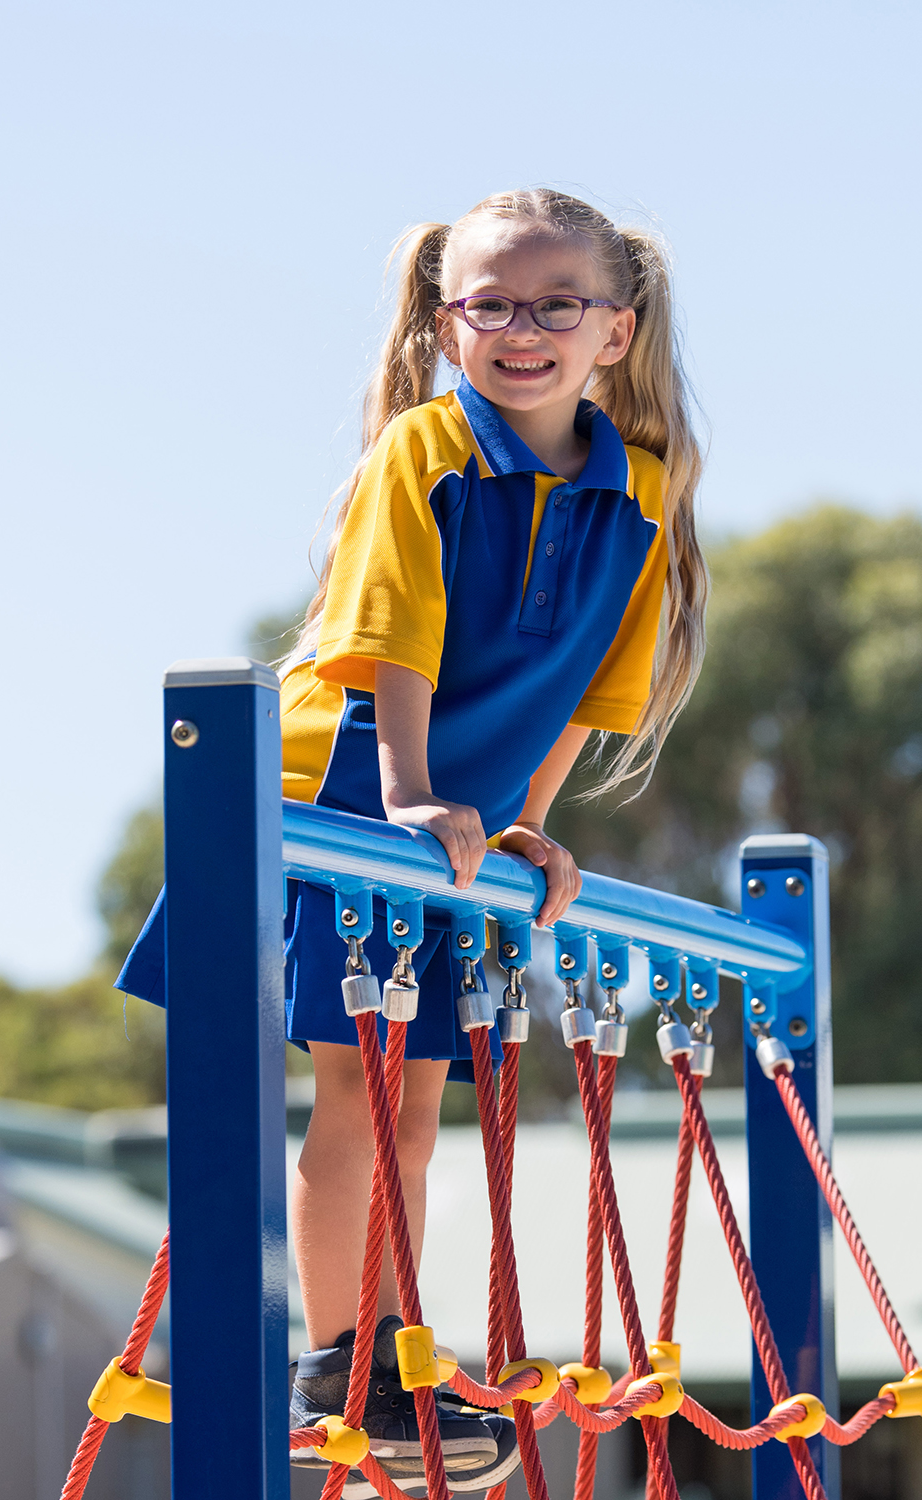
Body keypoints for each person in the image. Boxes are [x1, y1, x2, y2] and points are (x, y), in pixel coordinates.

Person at [118, 188, 707, 1493]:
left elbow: (592, 694)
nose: (522, 327)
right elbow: (389, 640)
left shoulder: (641, 496)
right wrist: (404, 796)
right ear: (450, 323)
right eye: (489, 302)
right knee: (356, 1088)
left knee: (419, 1110)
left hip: (452, 825)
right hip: (344, 797)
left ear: (616, 329)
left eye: (557, 302)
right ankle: (342, 1353)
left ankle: (388, 1352)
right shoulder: (424, 453)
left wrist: (531, 828)